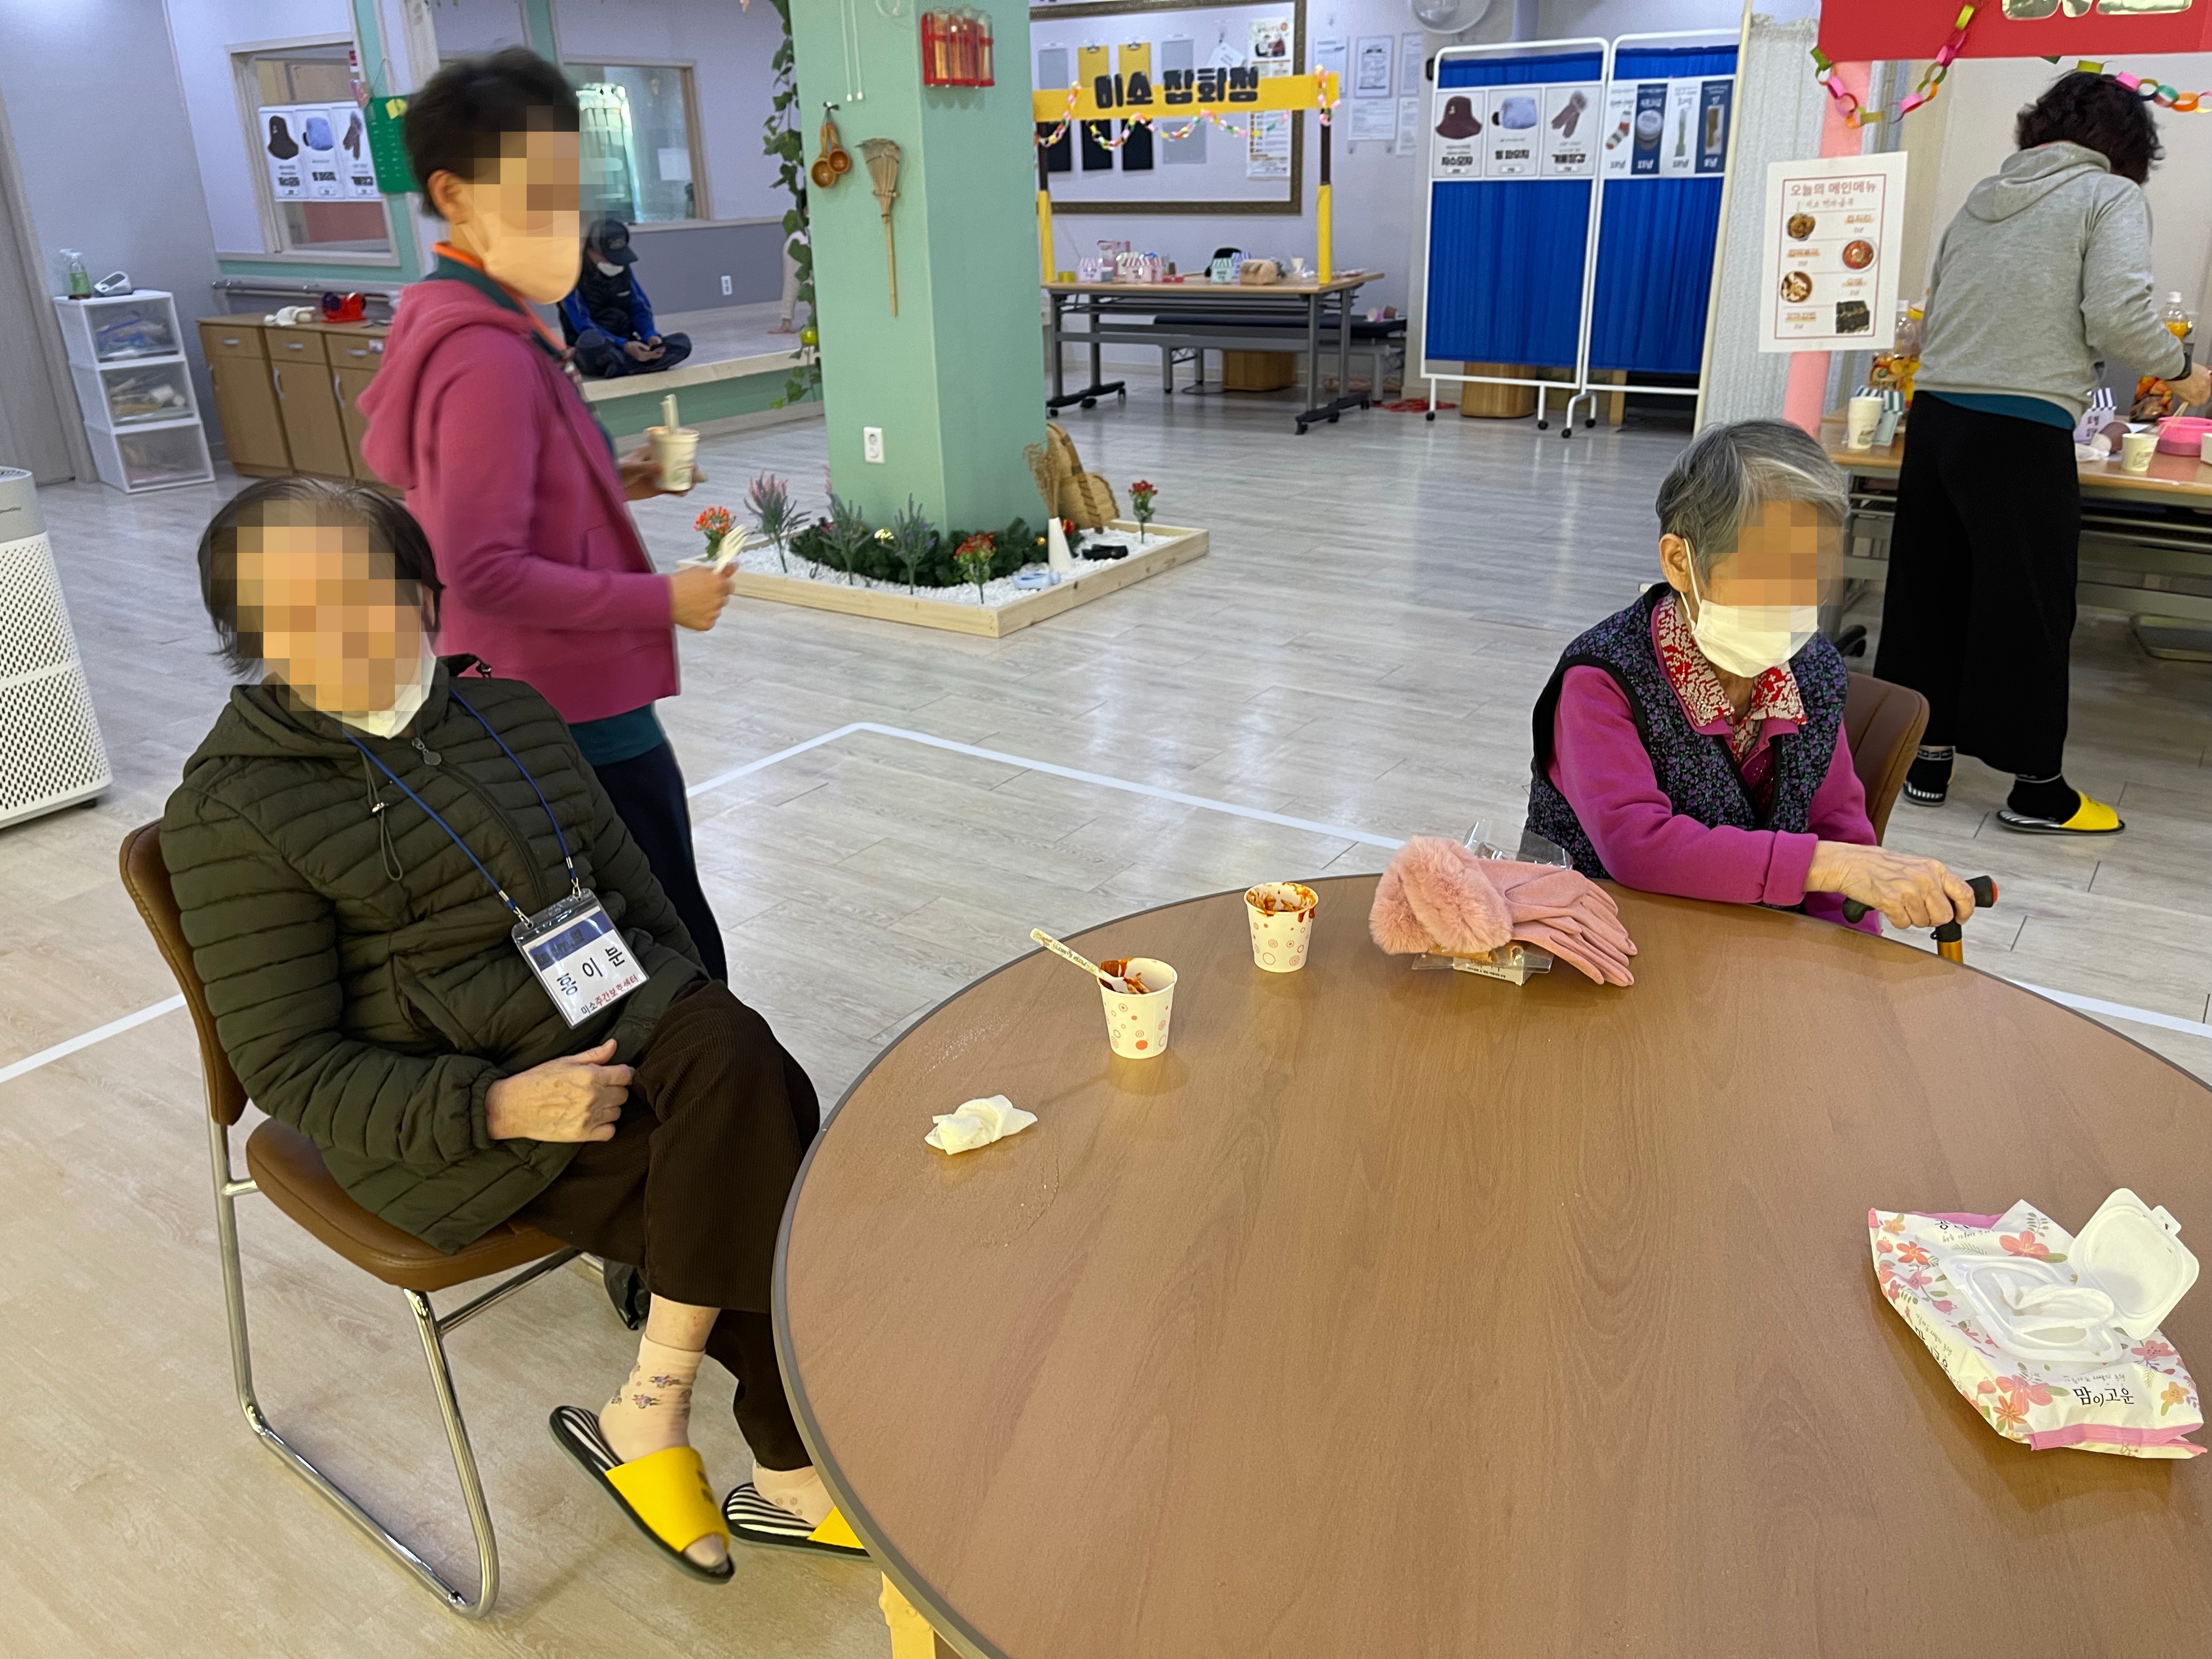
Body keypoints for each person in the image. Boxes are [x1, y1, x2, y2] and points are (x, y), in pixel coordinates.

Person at [163, 478, 856, 1578]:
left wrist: (675, 1013)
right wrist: (493, 1105)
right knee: (745, 1139)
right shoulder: (233, 809)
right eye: (291, 612)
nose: (338, 629)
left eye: (363, 589)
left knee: (739, 1062)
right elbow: (288, 1066)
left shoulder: (512, 715)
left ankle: (654, 1409)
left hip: (606, 1017)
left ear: (419, 588)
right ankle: (787, 1455)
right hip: (451, 1113)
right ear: (250, 635)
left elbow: (640, 898)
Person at [359, 49, 735, 984]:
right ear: (454, 195)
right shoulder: (482, 355)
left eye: (568, 190)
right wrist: (664, 600)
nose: (563, 219)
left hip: (537, 699)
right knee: (668, 948)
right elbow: (480, 567)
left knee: (610, 942)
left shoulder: (479, 319)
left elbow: (507, 493)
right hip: (564, 712)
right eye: (536, 192)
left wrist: (617, 480)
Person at [1875, 71, 2212, 834]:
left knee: (1931, 592)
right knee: (2029, 605)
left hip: (1937, 417)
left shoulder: (1982, 196)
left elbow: (1936, 308)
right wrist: (2182, 373)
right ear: (2127, 146)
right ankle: (2037, 790)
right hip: (2021, 425)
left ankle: (1923, 758)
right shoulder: (2110, 195)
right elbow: (2118, 315)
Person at [1528, 420, 1979, 935]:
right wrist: (1828, 866)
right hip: (1601, 937)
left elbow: (1839, 828)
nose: (1793, 601)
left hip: (1749, 945)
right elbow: (1637, 846)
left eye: (1813, 573)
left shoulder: (1812, 671)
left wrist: (1852, 955)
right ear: (1680, 563)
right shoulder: (1604, 679)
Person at [558, 218, 694, 378]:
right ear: (591, 251)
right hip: (601, 347)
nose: (614, 263)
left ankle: (627, 365)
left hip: (628, 344)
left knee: (681, 342)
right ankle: (635, 364)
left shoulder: (623, 269)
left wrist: (650, 335)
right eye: (608, 257)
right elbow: (583, 325)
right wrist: (623, 345)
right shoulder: (571, 277)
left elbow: (640, 307)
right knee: (591, 340)